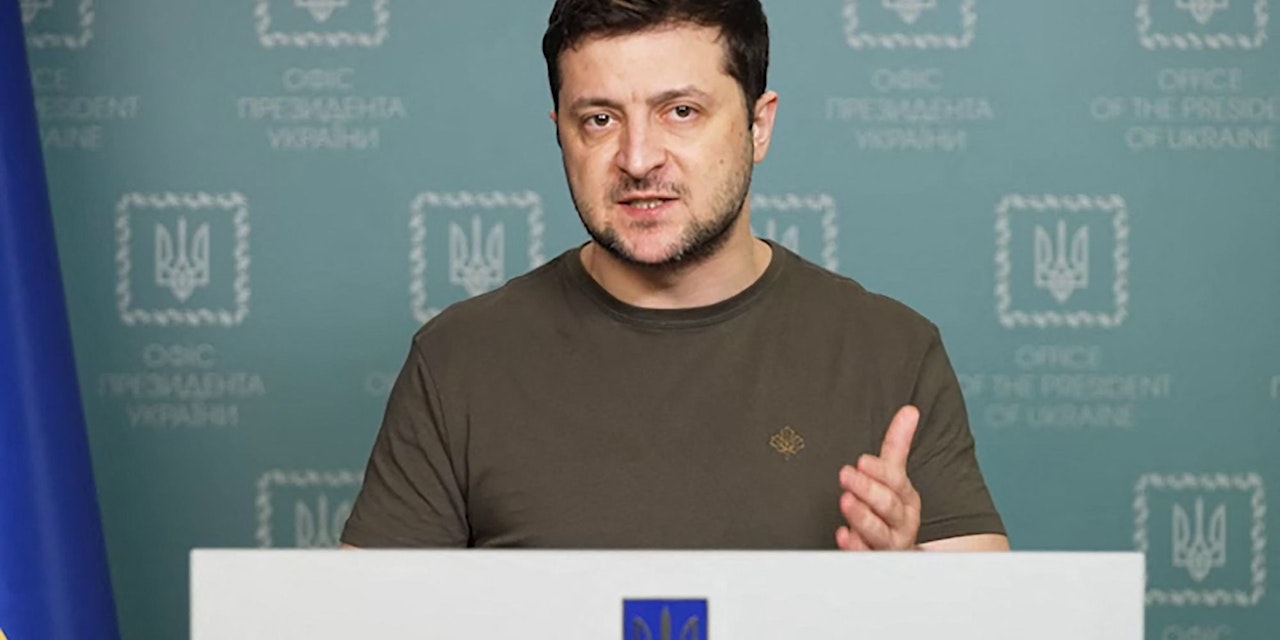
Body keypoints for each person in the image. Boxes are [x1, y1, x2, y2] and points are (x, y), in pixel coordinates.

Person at [340, 0, 1008, 552]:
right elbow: (366, 619)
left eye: (680, 111)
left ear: (759, 125)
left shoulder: (890, 351)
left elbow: (984, 614)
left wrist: (908, 586)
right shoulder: (458, 360)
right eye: (600, 120)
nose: (637, 159)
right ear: (560, 133)